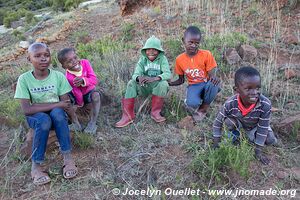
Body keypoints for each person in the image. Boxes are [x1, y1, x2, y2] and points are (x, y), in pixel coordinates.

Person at [14, 42, 77, 185]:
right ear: (29, 59)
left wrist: (72, 117)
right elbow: (27, 110)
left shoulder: (58, 76)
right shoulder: (24, 79)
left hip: (56, 113)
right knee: (44, 120)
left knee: (58, 115)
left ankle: (68, 159)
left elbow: (65, 104)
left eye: (46, 55)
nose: (43, 58)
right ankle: (36, 166)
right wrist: (56, 104)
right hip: (35, 116)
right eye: (37, 56)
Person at [212, 66, 277, 165]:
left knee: (270, 140)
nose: (254, 93)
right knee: (228, 122)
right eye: (248, 89)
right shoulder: (230, 103)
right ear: (236, 89)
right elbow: (217, 124)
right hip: (239, 124)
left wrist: (258, 152)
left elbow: (262, 128)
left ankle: (251, 137)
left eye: (257, 88)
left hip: (256, 126)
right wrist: (216, 145)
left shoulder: (265, 104)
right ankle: (237, 136)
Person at [115, 35, 171, 127]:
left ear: (159, 51)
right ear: (145, 51)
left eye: (154, 49)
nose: (151, 52)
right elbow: (135, 75)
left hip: (156, 86)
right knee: (131, 83)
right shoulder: (142, 59)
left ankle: (155, 112)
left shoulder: (162, 59)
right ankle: (128, 116)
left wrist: (154, 78)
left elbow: (167, 74)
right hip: (144, 87)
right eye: (148, 49)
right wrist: (138, 78)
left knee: (164, 84)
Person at [168, 26, 220, 122]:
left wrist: (214, 78)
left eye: (197, 43)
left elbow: (212, 74)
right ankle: (194, 99)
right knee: (192, 104)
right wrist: (170, 83)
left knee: (214, 84)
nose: (193, 45)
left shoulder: (206, 54)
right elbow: (181, 80)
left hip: (206, 83)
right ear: (184, 41)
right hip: (194, 85)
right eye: (191, 42)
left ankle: (203, 109)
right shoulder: (179, 59)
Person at [57, 48, 101, 134]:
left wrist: (83, 80)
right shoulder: (69, 76)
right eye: (69, 61)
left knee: (96, 96)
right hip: (77, 96)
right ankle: (76, 123)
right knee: (65, 99)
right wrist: (80, 105)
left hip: (89, 91)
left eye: (75, 57)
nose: (74, 61)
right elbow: (76, 91)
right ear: (64, 66)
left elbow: (94, 80)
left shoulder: (85, 63)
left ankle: (93, 122)